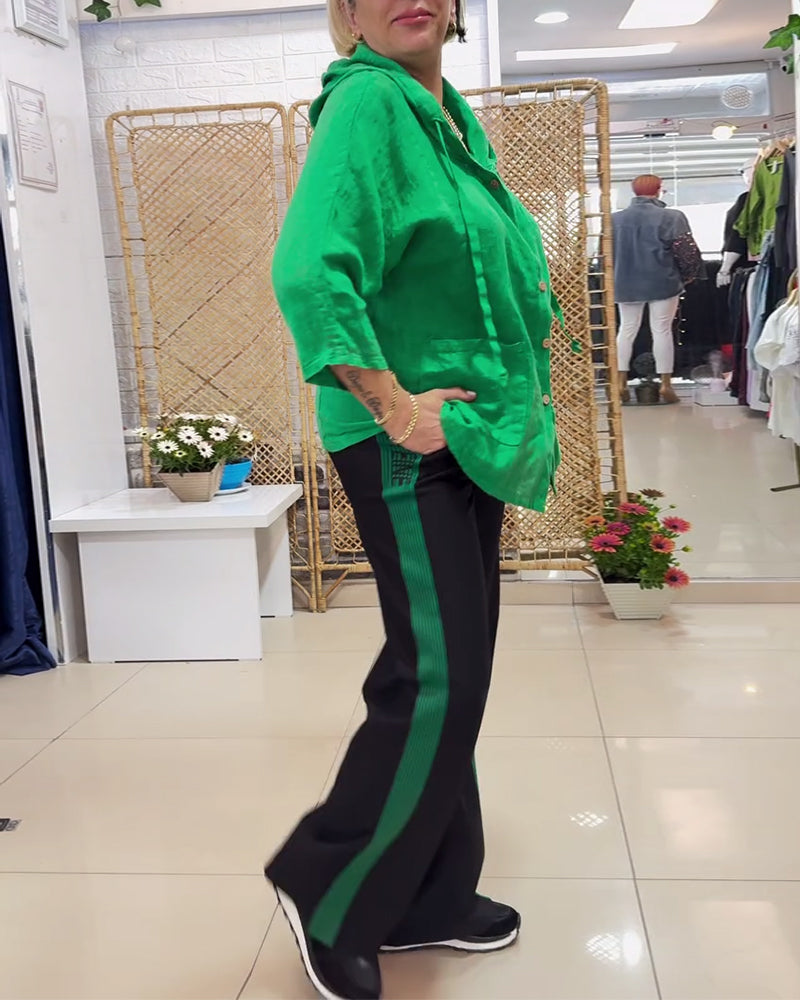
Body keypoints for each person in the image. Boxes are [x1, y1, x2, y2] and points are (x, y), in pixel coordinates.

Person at [265, 0, 560, 996]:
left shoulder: (447, 117)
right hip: (408, 439)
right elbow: (309, 271)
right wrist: (392, 405)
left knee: (455, 674)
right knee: (435, 676)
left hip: (464, 432)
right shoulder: (369, 103)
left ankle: (430, 895)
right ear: (345, 12)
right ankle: (328, 887)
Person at [612, 174, 703, 404]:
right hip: (663, 281)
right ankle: (665, 385)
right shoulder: (672, 217)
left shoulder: (613, 219)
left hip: (625, 282)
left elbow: (605, 254)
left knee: (626, 330)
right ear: (659, 190)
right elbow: (687, 253)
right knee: (662, 330)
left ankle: (620, 384)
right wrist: (688, 276)